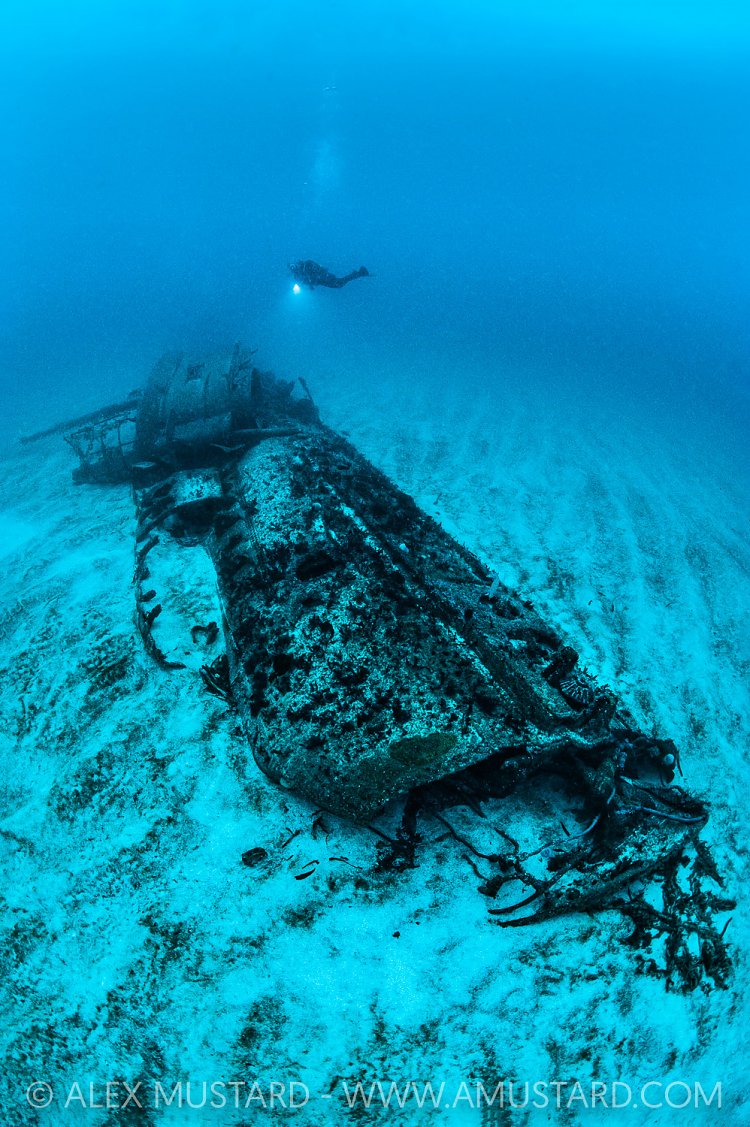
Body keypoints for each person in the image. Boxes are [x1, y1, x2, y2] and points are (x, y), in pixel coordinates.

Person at [290, 259, 370, 290]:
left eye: (295, 266)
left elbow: (318, 270)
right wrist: (309, 284)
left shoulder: (307, 264)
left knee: (339, 284)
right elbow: (308, 282)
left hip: (324, 277)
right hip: (321, 282)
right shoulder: (298, 275)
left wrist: (311, 278)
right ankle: (359, 273)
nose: (295, 269)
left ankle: (360, 273)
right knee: (339, 284)